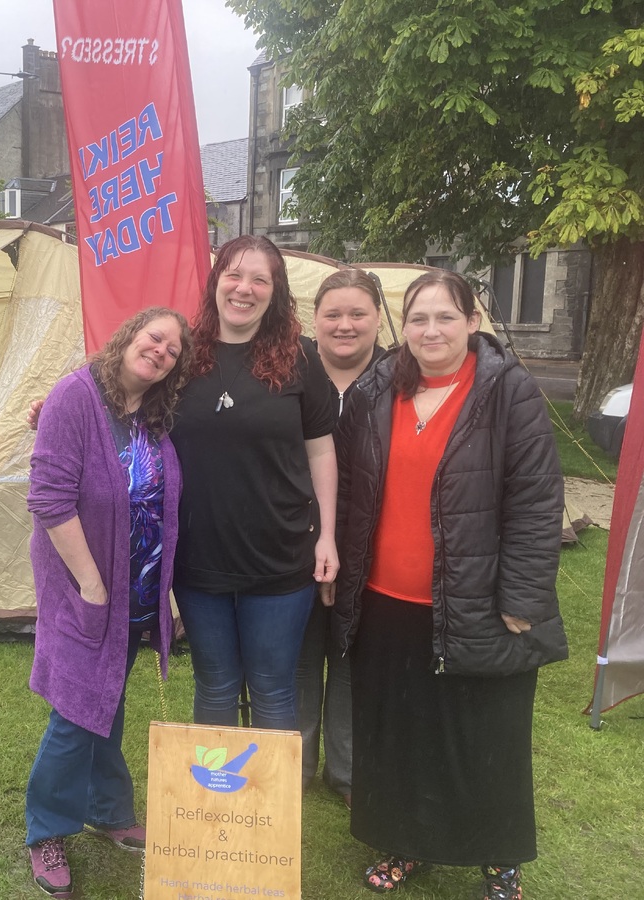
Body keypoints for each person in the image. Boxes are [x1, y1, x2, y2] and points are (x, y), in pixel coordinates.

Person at [332, 270, 567, 899]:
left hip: (476, 603)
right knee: (396, 738)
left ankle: (496, 859)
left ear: (472, 322)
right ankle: (406, 845)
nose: (430, 331)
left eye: (445, 317)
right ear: (401, 328)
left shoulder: (507, 392)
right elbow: (353, 493)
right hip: (385, 603)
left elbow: (537, 501)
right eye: (417, 319)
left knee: (482, 741)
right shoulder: (376, 389)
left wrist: (522, 598)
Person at [25, 307, 192, 899]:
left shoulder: (152, 414)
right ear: (129, 335)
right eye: (155, 337)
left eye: (173, 350)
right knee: (75, 710)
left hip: (136, 592)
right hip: (84, 587)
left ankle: (108, 809)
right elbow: (48, 499)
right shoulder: (76, 397)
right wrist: (93, 586)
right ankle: (46, 828)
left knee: (109, 701)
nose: (161, 351)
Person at [170, 234, 338, 731]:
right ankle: (217, 806)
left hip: (280, 556)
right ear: (216, 282)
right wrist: (58, 411)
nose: (244, 289)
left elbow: (322, 449)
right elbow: (125, 394)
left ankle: (266, 809)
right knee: (215, 684)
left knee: (272, 686)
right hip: (199, 557)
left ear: (276, 290)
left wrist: (327, 534)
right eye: (234, 275)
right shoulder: (183, 355)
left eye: (260, 279)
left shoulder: (301, 358)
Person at [295, 268, 387, 807]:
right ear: (316, 319)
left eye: (358, 314)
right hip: (296, 540)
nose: (345, 325)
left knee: (355, 656)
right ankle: (298, 766)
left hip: (374, 544)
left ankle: (350, 772)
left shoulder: (401, 376)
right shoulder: (290, 370)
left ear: (378, 319)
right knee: (300, 657)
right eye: (333, 314)